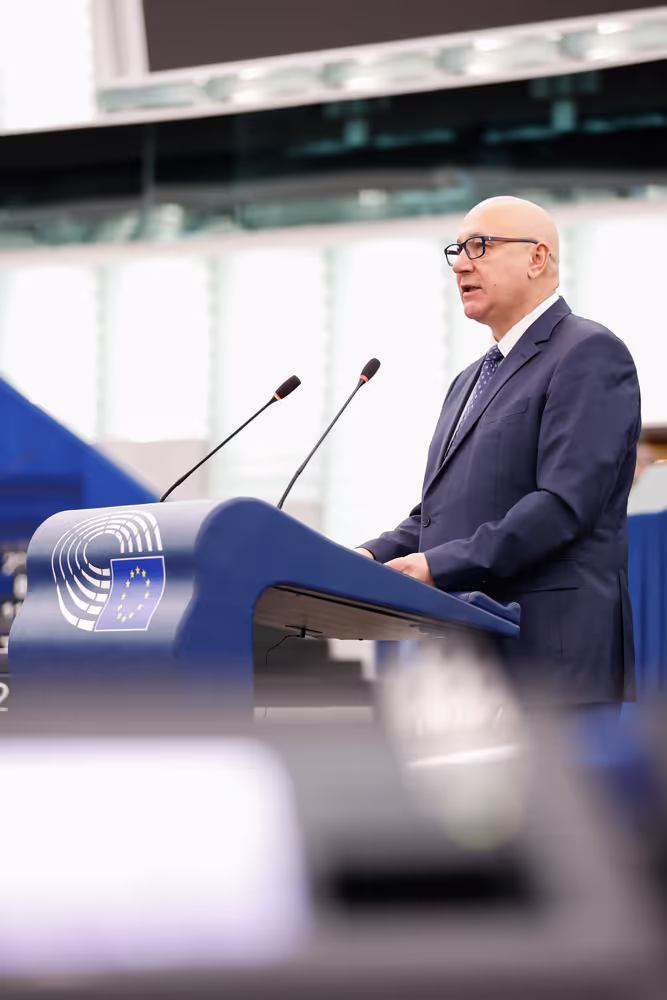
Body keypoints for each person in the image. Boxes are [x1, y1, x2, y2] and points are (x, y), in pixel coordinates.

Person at [357, 196, 641, 705]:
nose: (461, 263)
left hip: (551, 664)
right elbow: (438, 515)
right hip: (470, 664)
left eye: (480, 246)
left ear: (537, 258)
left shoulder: (588, 352)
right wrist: (368, 556)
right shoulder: (469, 380)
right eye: (457, 250)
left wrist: (436, 566)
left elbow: (562, 506)